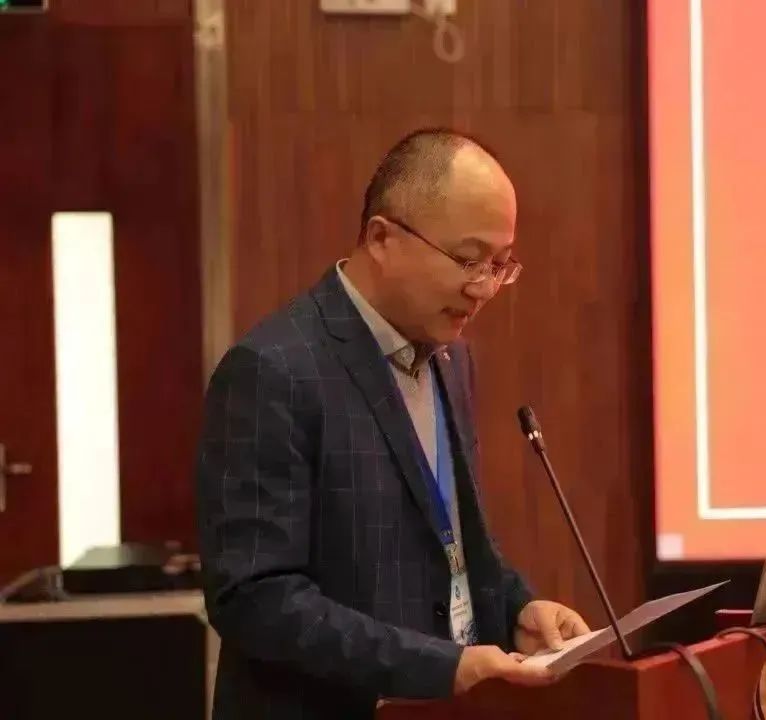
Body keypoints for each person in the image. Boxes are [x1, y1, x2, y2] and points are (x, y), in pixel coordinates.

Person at [195, 128, 590, 720]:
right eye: (468, 260)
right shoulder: (273, 371)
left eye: (499, 265)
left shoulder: (452, 359)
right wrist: (439, 667)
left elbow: (451, 542)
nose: (484, 288)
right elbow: (254, 598)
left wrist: (517, 610)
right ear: (382, 238)